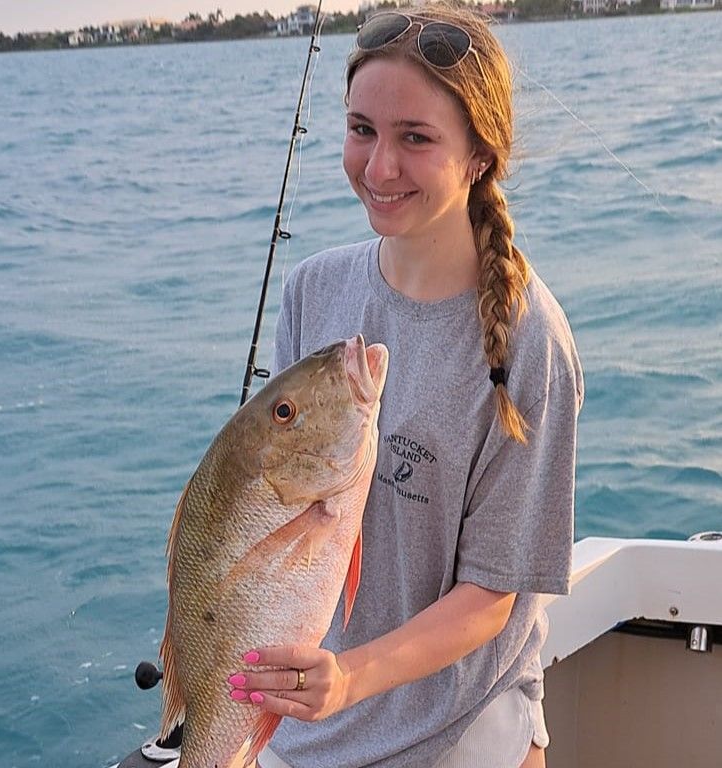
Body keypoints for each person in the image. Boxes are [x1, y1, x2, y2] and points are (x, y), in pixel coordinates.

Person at [227, 4, 583, 767]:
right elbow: (268, 513)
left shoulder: (532, 342)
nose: (379, 167)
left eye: (415, 138)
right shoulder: (312, 291)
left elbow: (492, 597)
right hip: (308, 721)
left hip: (457, 731)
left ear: (480, 156)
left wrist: (349, 677)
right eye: (362, 130)